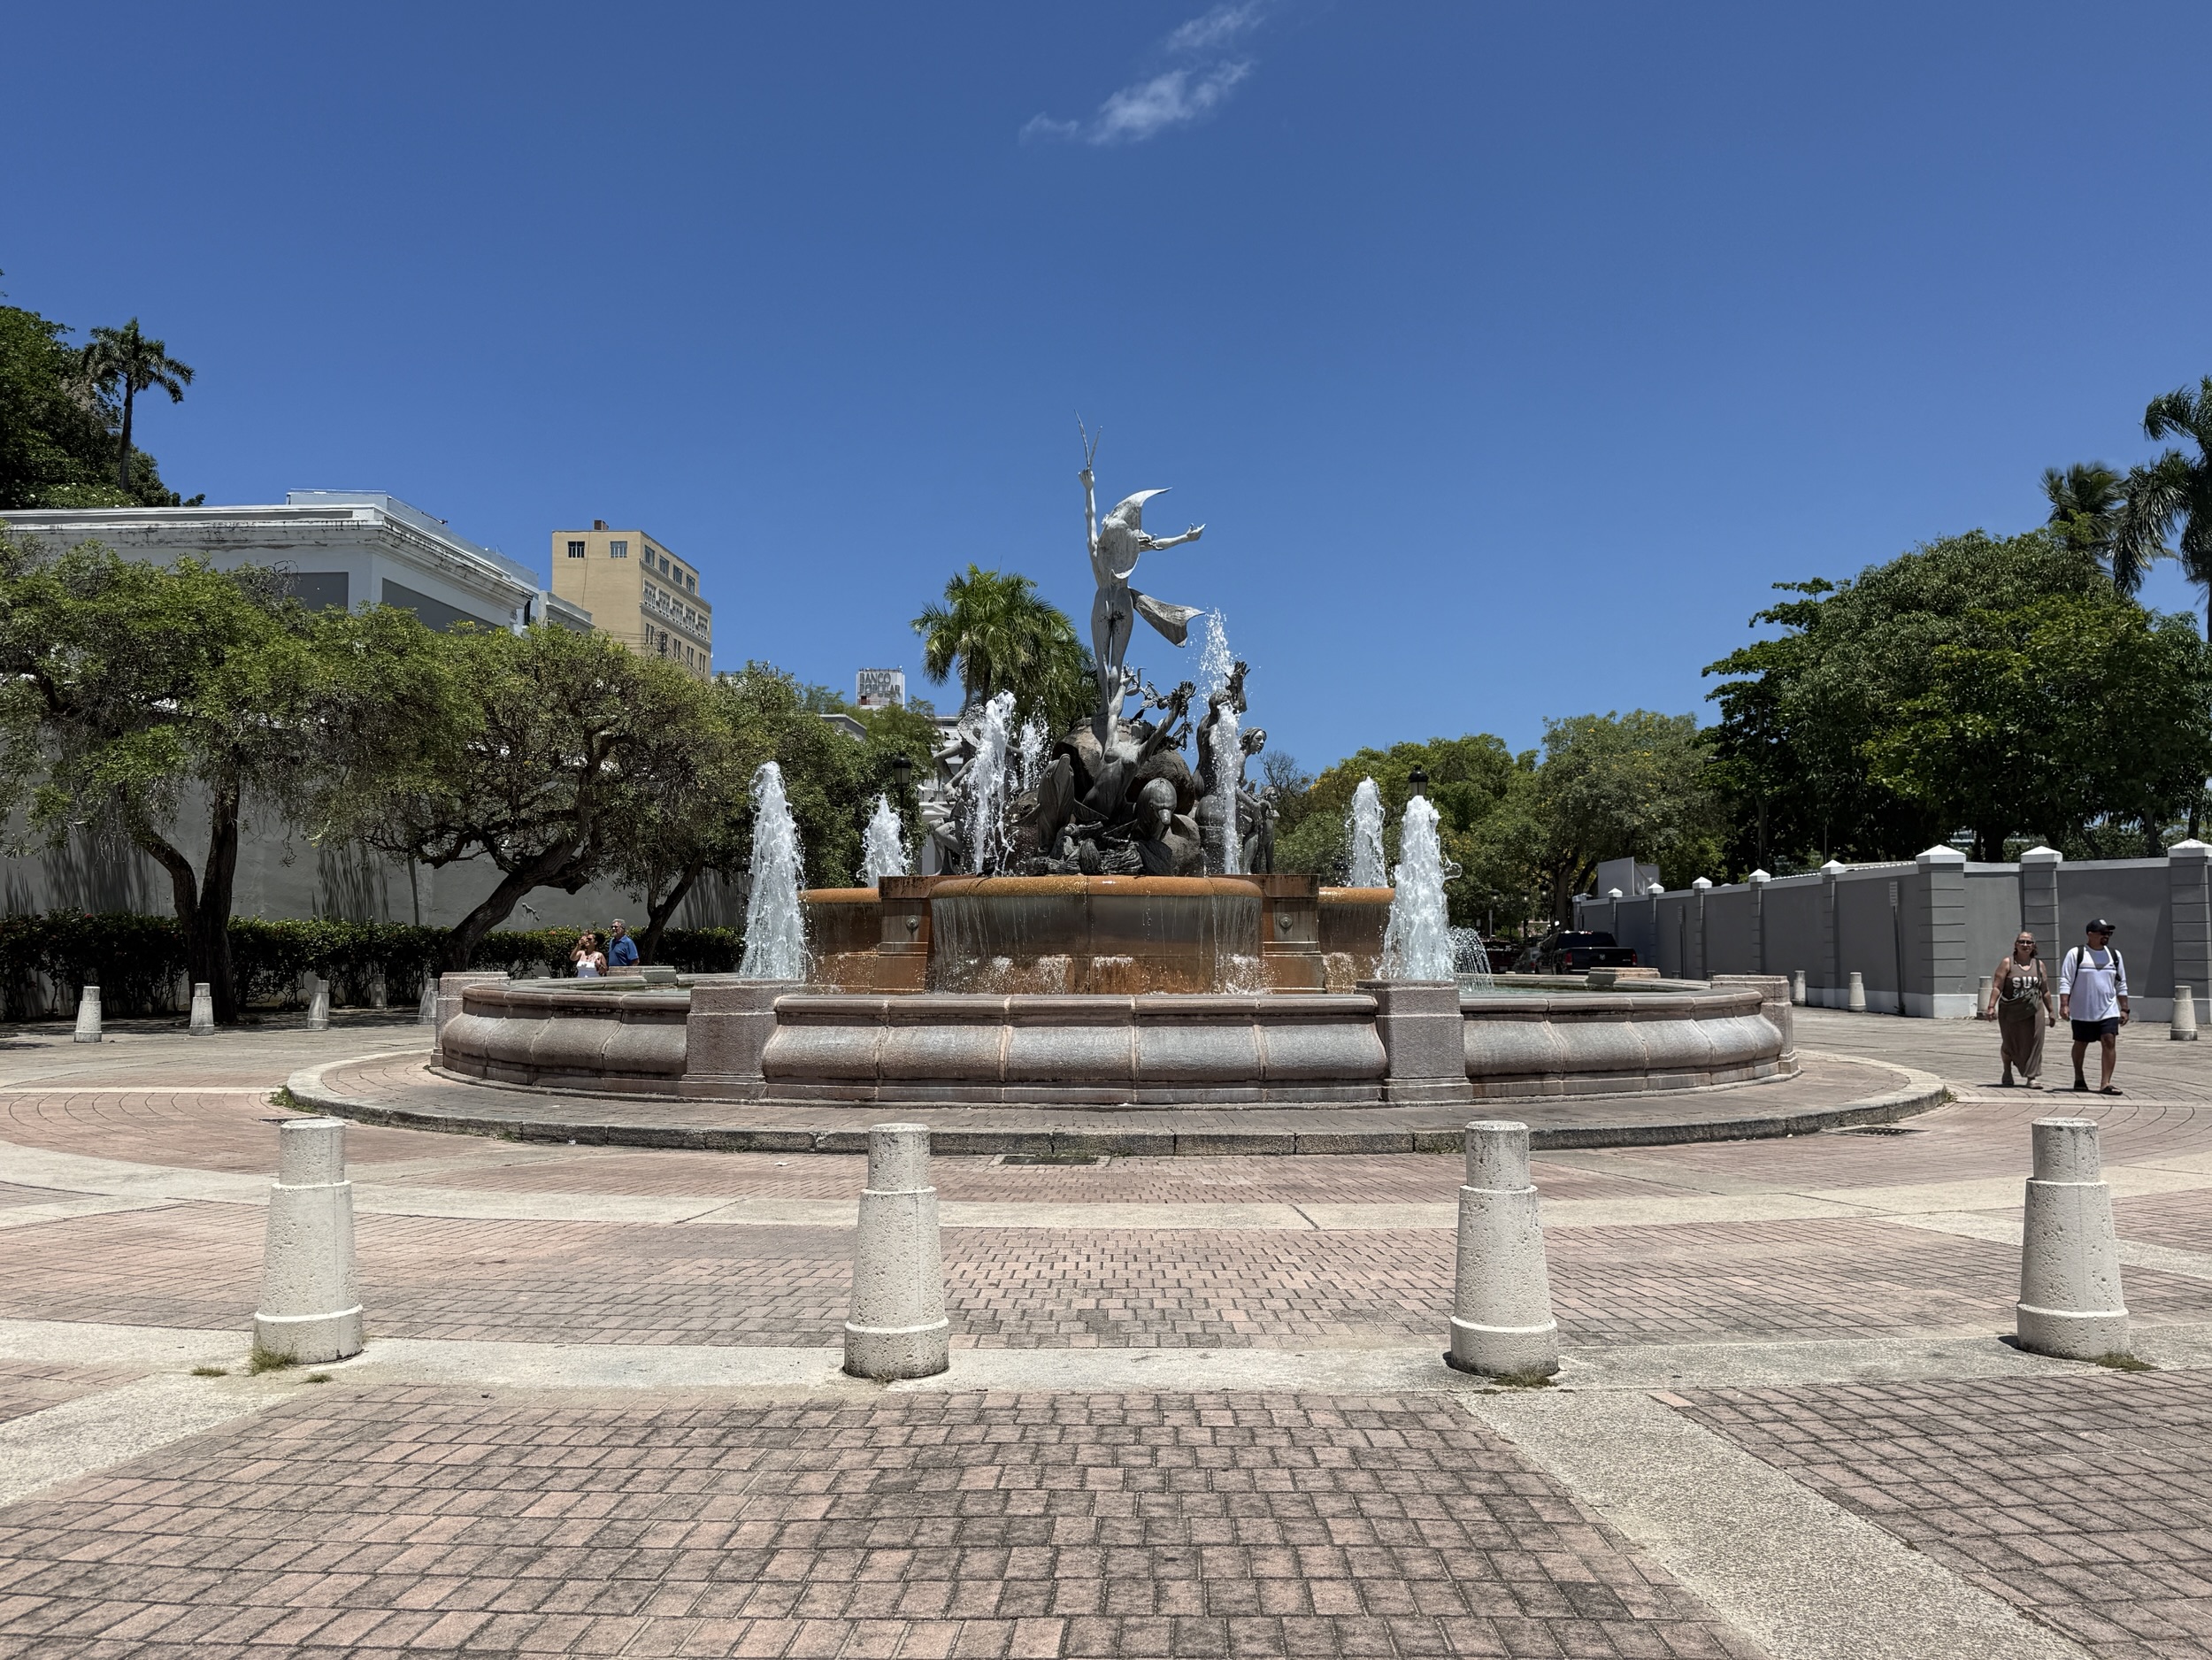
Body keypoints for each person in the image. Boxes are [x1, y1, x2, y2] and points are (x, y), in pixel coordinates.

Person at [2057, 918, 2130, 1095]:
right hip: (2083, 1010)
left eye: (2108, 933)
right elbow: (2066, 980)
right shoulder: (2076, 954)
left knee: (2109, 1040)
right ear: (2090, 934)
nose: (2106, 936)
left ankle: (2106, 1083)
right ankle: (2079, 1076)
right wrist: (2064, 1005)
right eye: (2102, 933)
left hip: (2108, 1009)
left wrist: (2124, 1008)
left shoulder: (2114, 956)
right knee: (2081, 1043)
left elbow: (2121, 984)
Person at [1981, 931, 2054, 1088]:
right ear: (2016, 945)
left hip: (2034, 1010)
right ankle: (2007, 1070)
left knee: (2035, 1043)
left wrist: (2052, 1011)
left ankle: (2031, 1077)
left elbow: (2045, 990)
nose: (2025, 945)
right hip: (2011, 1010)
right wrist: (1991, 1007)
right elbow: (1997, 987)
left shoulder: (2039, 965)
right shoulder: (2008, 963)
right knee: (2010, 1043)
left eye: (2029, 942)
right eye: (2022, 942)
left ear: (2034, 945)